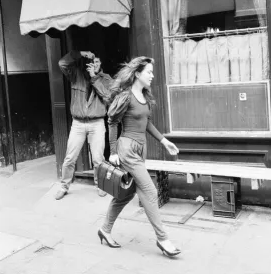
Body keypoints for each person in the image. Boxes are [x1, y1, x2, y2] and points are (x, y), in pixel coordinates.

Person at [97, 56, 181, 257]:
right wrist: (114, 152)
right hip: (127, 149)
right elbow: (112, 122)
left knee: (125, 194)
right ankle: (163, 239)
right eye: (149, 72)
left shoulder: (144, 96)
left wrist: (164, 141)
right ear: (137, 74)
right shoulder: (125, 97)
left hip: (140, 150)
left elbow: (147, 123)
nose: (152, 75)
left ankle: (104, 229)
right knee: (150, 192)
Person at [55, 50, 112, 200]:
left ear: (101, 64)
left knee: (98, 159)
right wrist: (79, 53)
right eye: (93, 62)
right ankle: (64, 186)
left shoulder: (106, 79)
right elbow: (62, 63)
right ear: (87, 63)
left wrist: (94, 78)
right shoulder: (76, 75)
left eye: (98, 62)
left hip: (97, 123)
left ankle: (100, 185)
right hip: (78, 123)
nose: (95, 65)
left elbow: (108, 97)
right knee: (69, 158)